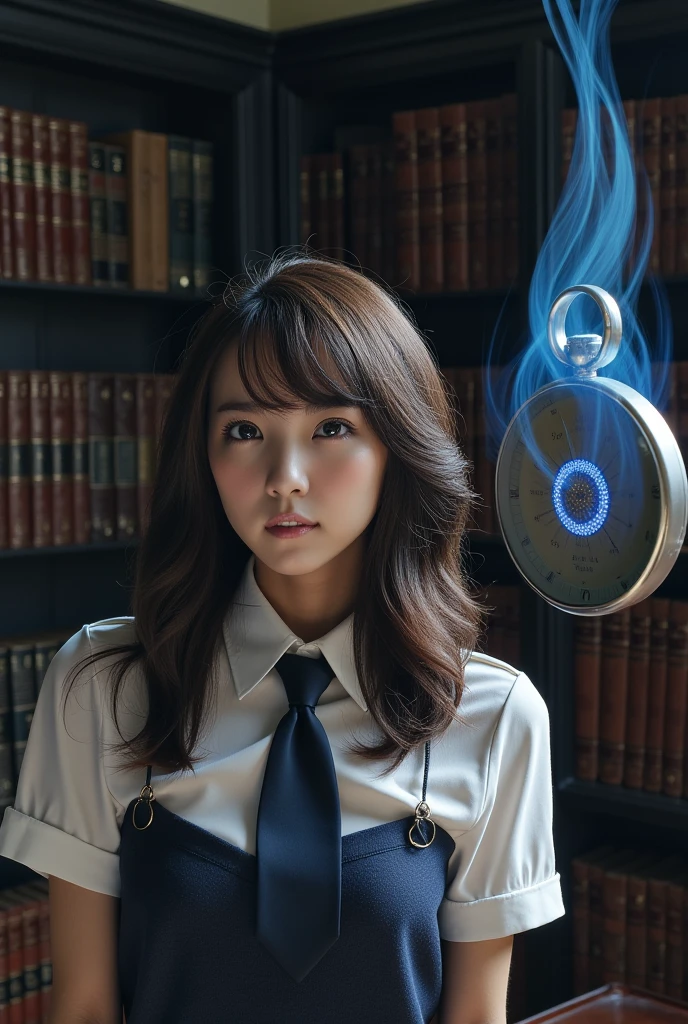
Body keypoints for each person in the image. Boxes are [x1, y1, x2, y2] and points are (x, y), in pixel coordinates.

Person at [0, 252, 565, 1024]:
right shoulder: (100, 685)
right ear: (204, 456)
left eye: (332, 427)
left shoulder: (496, 718)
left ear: (395, 449)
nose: (284, 475)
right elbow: (85, 1009)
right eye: (245, 430)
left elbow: (474, 1016)